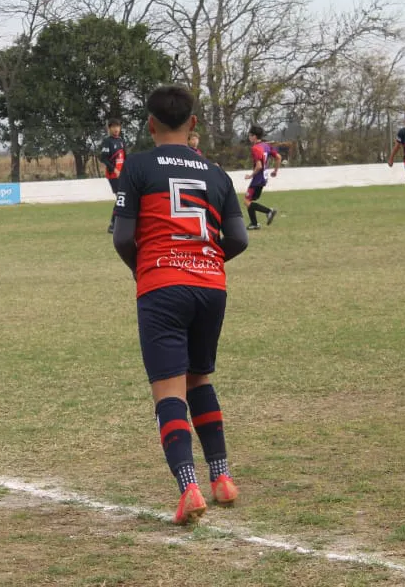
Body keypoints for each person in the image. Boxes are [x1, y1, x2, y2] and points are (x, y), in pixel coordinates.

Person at [112, 84, 250, 525]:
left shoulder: (136, 167)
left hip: (162, 284)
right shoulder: (217, 174)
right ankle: (222, 477)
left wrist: (145, 269)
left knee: (168, 390)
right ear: (193, 123)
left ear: (150, 124)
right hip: (211, 287)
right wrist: (204, 259)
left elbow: (122, 236)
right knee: (199, 378)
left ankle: (189, 487)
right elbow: (239, 239)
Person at [244, 125, 280, 230]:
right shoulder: (266, 146)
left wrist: (251, 175)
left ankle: (269, 211)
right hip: (264, 178)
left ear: (254, 136)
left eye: (250, 135)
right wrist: (275, 171)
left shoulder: (255, 148)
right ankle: (254, 224)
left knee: (247, 201)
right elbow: (278, 157)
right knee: (250, 200)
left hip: (257, 178)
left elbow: (259, 166)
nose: (249, 137)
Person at [100, 118, 127, 233]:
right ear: (109, 128)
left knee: (123, 198)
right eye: (114, 127)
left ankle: (117, 224)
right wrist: (115, 170)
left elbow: (125, 157)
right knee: (121, 198)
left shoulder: (121, 141)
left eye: (118, 126)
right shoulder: (107, 141)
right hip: (113, 175)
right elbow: (103, 158)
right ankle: (113, 225)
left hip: (122, 174)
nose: (116, 129)